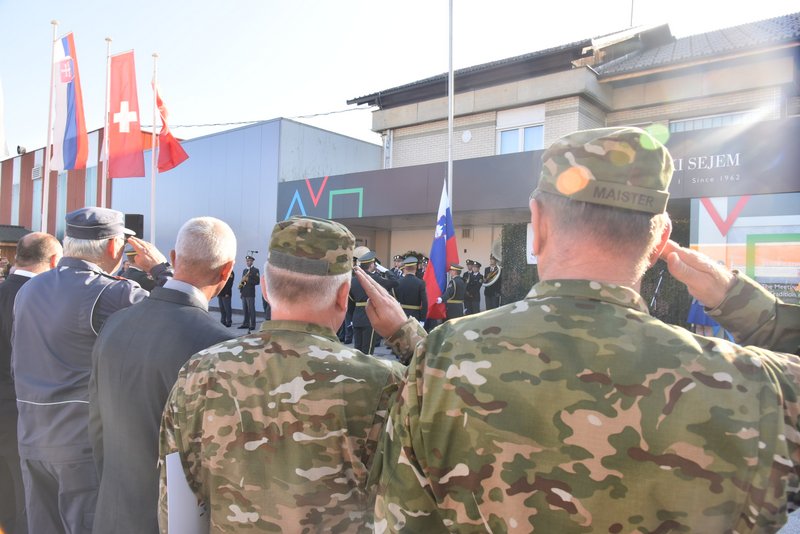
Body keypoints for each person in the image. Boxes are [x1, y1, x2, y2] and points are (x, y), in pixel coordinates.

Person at [358, 127, 800, 532]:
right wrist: (749, 307)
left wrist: (410, 340)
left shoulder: (441, 361)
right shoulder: (752, 387)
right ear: (660, 240)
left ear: (538, 225)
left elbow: (402, 521)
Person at [158, 215, 404, 532]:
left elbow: (177, 507)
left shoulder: (200, 372)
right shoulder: (383, 382)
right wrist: (405, 335)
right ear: (344, 295)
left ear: (264, 287)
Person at [11, 207, 172, 534]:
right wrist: (161, 270)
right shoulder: (113, 292)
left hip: (31, 437)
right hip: (81, 446)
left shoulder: (30, 289)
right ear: (113, 246)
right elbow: (174, 319)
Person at [89, 217, 236, 534]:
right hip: (169, 522)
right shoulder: (220, 346)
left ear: (173, 257)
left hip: (111, 513)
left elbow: (97, 427)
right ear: (227, 270)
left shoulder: (116, 323)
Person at [0, 232, 62, 534]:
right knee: (28, 497)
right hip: (24, 413)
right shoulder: (42, 299)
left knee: (7, 497)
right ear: (54, 260)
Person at [349, 251, 398, 355]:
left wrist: (351, 317)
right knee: (368, 350)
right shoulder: (375, 278)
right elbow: (395, 282)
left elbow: (351, 300)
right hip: (370, 317)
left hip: (356, 317)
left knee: (357, 350)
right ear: (371, 265)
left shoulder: (353, 280)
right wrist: (387, 271)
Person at [395, 256, 427, 323]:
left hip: (401, 315)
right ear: (415, 268)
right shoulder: (420, 283)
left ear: (405, 268)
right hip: (415, 316)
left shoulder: (398, 282)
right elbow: (424, 303)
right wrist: (422, 319)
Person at [238, 254, 260, 331]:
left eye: (250, 261)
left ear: (252, 262)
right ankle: (246, 324)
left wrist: (249, 279)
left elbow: (257, 282)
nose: (248, 262)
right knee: (245, 309)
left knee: (251, 309)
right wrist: (241, 291)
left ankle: (252, 324)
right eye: (247, 261)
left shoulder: (255, 270)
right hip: (244, 293)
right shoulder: (245, 270)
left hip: (250, 293)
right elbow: (243, 281)